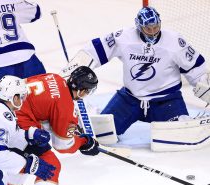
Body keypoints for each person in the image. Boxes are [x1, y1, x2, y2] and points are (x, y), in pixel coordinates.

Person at [63, 6, 209, 137]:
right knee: (102, 133)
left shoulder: (174, 41)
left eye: (156, 27)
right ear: (139, 26)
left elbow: (196, 67)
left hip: (166, 100)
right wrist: (76, 68)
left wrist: (204, 84)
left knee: (180, 135)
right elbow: (95, 50)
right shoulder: (124, 38)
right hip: (130, 99)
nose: (153, 32)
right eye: (148, 28)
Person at [14, 66, 100, 185]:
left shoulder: (54, 77)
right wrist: (84, 142)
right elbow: (62, 145)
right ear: (82, 90)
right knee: (50, 164)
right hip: (16, 122)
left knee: (22, 156)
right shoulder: (65, 104)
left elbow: (41, 107)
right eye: (87, 92)